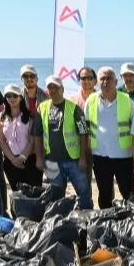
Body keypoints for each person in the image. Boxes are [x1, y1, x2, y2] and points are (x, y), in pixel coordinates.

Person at [33, 75, 93, 209]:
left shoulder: (74, 108)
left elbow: (83, 133)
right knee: (56, 196)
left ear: (62, 89)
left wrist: (83, 158)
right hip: (52, 161)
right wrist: (39, 158)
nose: (53, 90)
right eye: (50, 87)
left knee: (83, 193)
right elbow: (37, 134)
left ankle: (88, 218)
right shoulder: (41, 108)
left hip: (74, 161)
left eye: (56, 87)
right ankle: (60, 222)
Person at [84, 67, 134, 208]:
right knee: (104, 194)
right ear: (97, 82)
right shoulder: (91, 101)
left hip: (123, 156)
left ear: (115, 81)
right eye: (102, 78)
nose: (106, 82)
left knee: (129, 194)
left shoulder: (127, 101)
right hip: (100, 156)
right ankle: (106, 223)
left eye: (109, 78)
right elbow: (86, 129)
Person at [0, 84, 42, 192]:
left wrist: (22, 158)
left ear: (20, 97)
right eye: (8, 96)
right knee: (17, 193)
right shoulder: (1, 117)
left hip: (30, 161)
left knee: (34, 193)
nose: (12, 98)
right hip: (10, 161)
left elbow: (32, 141)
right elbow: (2, 141)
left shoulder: (30, 116)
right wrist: (13, 159)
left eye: (15, 95)